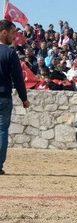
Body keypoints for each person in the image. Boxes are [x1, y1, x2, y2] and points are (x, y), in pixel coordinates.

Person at [0, 20, 30, 175]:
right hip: (3, 97)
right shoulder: (10, 53)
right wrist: (24, 98)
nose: (14, 36)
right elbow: (18, 78)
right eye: (12, 32)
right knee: (2, 130)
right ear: (4, 32)